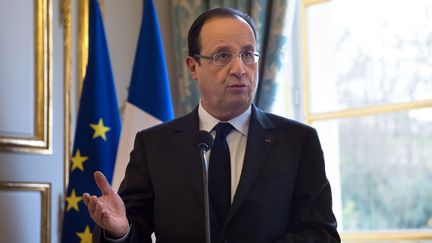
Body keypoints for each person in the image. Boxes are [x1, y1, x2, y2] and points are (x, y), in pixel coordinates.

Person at [83, 7, 341, 243]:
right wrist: (120, 231)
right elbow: (134, 231)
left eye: (248, 54)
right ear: (193, 67)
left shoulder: (298, 141)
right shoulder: (154, 145)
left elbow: (321, 234)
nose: (239, 68)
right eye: (222, 55)